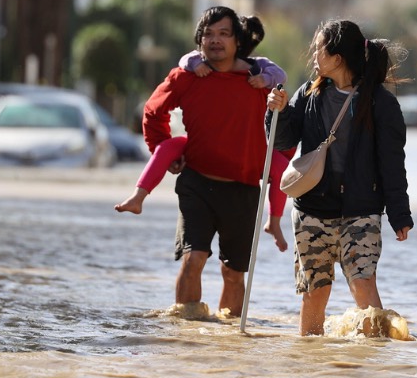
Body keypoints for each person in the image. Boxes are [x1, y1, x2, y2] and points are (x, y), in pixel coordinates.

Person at [266, 19, 413, 337]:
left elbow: (392, 163)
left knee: (363, 287)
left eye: (318, 47)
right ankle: (312, 363)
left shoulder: (380, 103)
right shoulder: (309, 93)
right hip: (311, 211)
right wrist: (276, 112)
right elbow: (282, 141)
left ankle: (377, 363)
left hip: (361, 211)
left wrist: (400, 213)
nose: (313, 53)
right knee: (314, 292)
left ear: (337, 57)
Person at [141, 6, 290, 317]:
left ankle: (226, 345)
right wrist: (164, 151)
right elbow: (154, 112)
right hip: (197, 182)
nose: (215, 40)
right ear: (199, 40)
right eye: (208, 34)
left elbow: (287, 130)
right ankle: (186, 333)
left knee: (233, 273)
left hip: (245, 189)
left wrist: (280, 104)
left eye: (224, 34)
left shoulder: (257, 80)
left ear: (238, 41)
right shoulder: (186, 76)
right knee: (193, 257)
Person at [116, 27, 293, 242]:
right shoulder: (200, 64)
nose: (220, 44)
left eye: (227, 37)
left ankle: (274, 222)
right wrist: (197, 65)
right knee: (168, 146)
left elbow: (280, 76)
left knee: (282, 167)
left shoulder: (258, 66)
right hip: (203, 148)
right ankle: (138, 196)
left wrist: (264, 79)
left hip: (248, 152)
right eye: (212, 36)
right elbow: (185, 60)